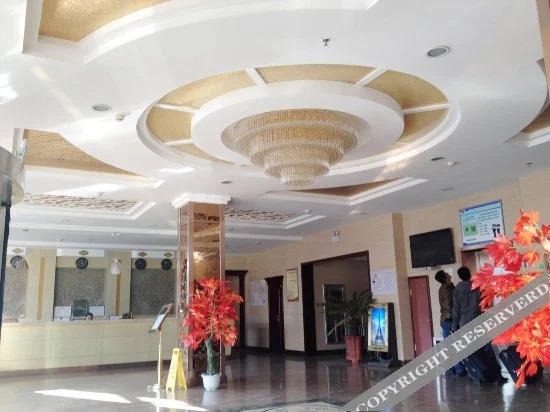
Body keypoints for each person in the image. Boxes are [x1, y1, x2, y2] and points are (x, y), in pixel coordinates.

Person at [452, 267, 507, 383]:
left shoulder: (457, 290)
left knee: (472, 351)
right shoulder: (477, 286)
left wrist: (454, 326)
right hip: (479, 321)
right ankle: (497, 375)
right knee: (488, 350)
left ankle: (479, 375)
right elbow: (484, 304)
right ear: (469, 274)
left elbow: (456, 309)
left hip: (465, 324)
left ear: (460, 277)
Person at [435, 270, 465, 376]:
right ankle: (458, 368)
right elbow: (450, 305)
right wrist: (455, 318)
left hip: (446, 319)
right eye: (446, 273)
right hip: (449, 319)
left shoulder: (445, 288)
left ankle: (450, 369)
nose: (448, 274)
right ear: (445, 277)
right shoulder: (447, 289)